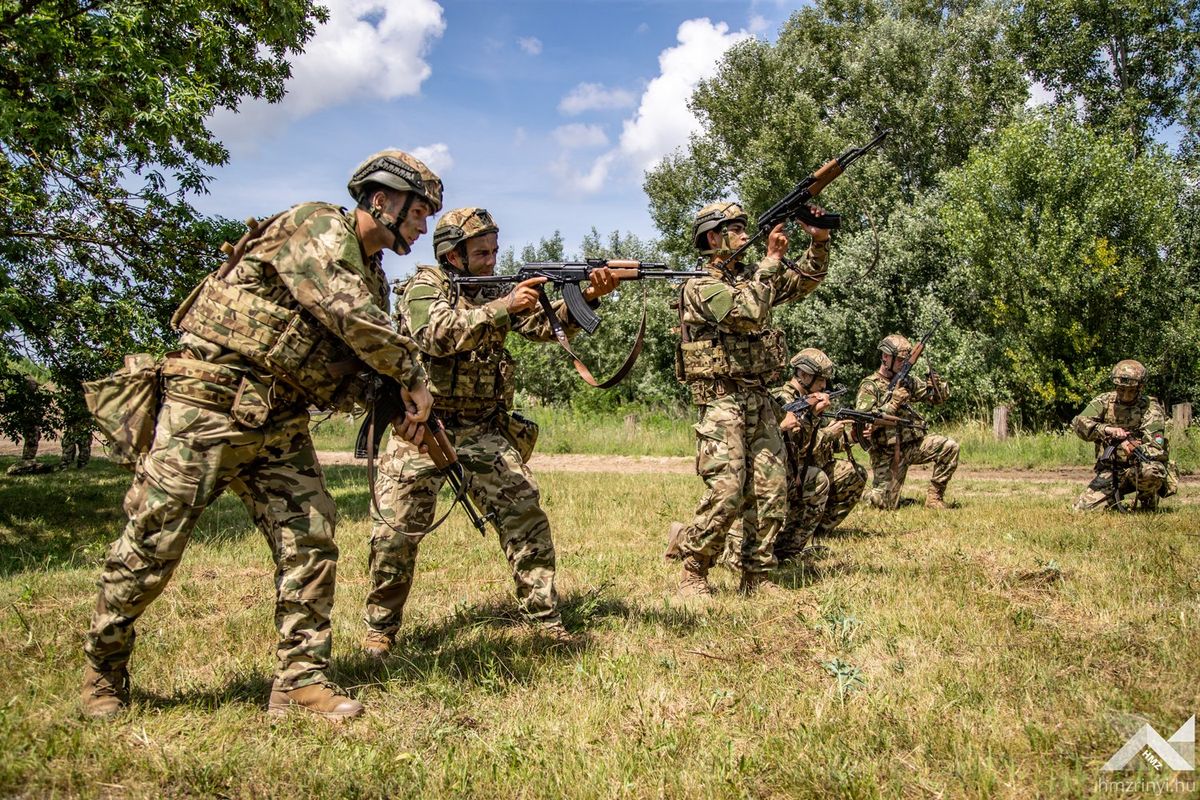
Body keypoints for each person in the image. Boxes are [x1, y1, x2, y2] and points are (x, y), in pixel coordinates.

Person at [80, 150, 442, 721]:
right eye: (420, 213)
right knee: (153, 543)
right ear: (382, 201)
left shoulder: (372, 275)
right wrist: (413, 375)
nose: (425, 227)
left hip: (279, 420)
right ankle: (102, 670)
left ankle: (300, 683)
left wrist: (395, 404)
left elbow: (348, 362)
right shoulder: (318, 227)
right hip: (208, 406)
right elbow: (349, 317)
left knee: (312, 538)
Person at [361, 207, 619, 656]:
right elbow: (435, 335)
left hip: (484, 428)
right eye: (482, 252)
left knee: (525, 514)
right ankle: (380, 629)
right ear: (453, 255)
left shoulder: (494, 290)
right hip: (423, 430)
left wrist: (589, 298)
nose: (491, 260)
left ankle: (545, 618)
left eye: (495, 250)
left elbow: (544, 326)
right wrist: (503, 307)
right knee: (395, 534)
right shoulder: (426, 287)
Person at [667, 201, 829, 598]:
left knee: (771, 489)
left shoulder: (754, 278)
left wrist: (818, 240)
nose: (744, 234)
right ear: (712, 238)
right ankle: (693, 570)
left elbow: (806, 278)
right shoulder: (700, 285)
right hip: (722, 402)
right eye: (735, 228)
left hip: (759, 399)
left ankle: (758, 575)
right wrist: (772, 259)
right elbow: (747, 314)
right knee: (727, 490)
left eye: (743, 228)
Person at [691, 348, 866, 570]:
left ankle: (787, 551)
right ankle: (695, 546)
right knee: (732, 549)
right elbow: (795, 445)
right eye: (820, 380)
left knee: (826, 477)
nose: (824, 386)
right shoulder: (782, 399)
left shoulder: (806, 400)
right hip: (768, 474)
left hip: (791, 472)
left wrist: (848, 435)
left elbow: (814, 446)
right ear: (804, 375)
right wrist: (813, 419)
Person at [856, 333, 958, 510]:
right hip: (887, 453)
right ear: (886, 357)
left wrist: (937, 385)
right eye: (900, 361)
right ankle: (860, 495)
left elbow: (936, 398)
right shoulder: (869, 386)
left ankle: (934, 498)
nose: (903, 364)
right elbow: (864, 422)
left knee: (949, 447)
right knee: (883, 505)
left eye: (905, 361)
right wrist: (893, 404)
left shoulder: (906, 381)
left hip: (913, 446)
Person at [1071, 359, 1173, 511]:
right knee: (1081, 509)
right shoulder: (1104, 401)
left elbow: (1156, 448)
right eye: (1121, 389)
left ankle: (1148, 499)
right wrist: (1107, 430)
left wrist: (1133, 447)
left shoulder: (1150, 408)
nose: (1125, 395)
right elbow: (1078, 423)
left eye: (1131, 391)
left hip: (1139, 468)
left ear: (1140, 388)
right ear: (1116, 386)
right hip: (1111, 470)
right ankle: (1113, 497)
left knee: (1151, 471)